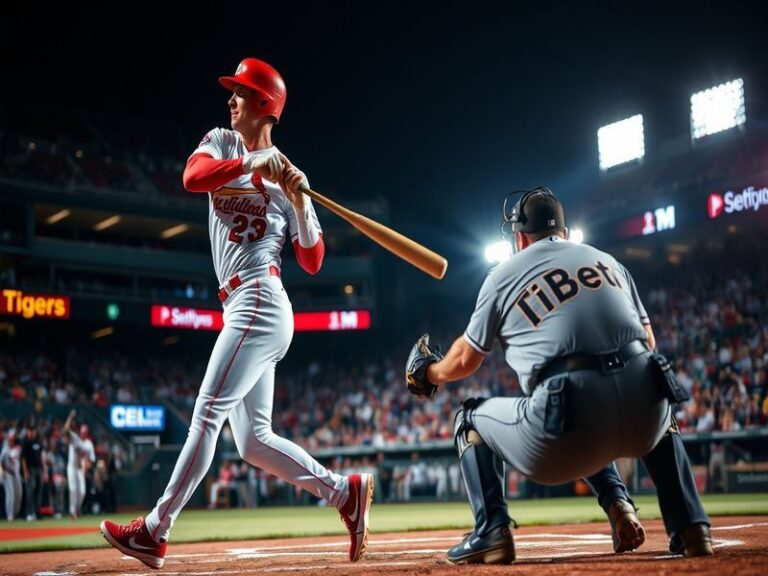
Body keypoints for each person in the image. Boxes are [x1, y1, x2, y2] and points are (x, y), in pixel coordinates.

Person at [100, 57, 373, 569]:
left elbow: (312, 261)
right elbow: (192, 177)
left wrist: (298, 201)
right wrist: (251, 165)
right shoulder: (223, 143)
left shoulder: (289, 175)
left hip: (260, 301)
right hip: (245, 306)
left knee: (206, 415)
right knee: (253, 441)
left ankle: (155, 531)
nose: (231, 99)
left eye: (241, 93)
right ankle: (344, 492)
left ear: (265, 105)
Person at [405, 186, 712, 564]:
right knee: (650, 381)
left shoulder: (503, 274)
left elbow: (466, 358)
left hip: (566, 425)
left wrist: (429, 373)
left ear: (519, 237)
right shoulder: (609, 261)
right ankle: (691, 526)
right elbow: (648, 342)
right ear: (564, 232)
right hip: (644, 416)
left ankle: (492, 533)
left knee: (469, 418)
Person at [64, 410, 95, 519]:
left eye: (85, 432)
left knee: (82, 492)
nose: (83, 433)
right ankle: (72, 512)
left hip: (80, 468)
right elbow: (66, 430)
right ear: (79, 431)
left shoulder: (88, 444)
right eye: (82, 432)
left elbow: (91, 459)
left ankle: (77, 509)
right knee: (73, 489)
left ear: (87, 433)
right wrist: (70, 417)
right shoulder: (74, 438)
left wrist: (86, 468)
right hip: (72, 467)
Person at [20, 422, 46, 521]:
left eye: (33, 431)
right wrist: (25, 471)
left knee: (38, 491)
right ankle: (29, 513)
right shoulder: (25, 442)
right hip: (30, 469)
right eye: (30, 431)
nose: (32, 433)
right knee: (29, 491)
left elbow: (42, 455)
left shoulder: (38, 442)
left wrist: (44, 469)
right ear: (28, 432)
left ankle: (37, 512)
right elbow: (23, 459)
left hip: (38, 469)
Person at [1, 431, 22, 522]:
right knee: (10, 495)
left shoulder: (17, 449)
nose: (12, 441)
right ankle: (10, 515)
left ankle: (15, 513)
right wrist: (1, 472)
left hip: (16, 474)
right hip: (7, 474)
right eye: (10, 439)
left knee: (19, 494)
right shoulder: (5, 449)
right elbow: (0, 462)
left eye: (13, 439)